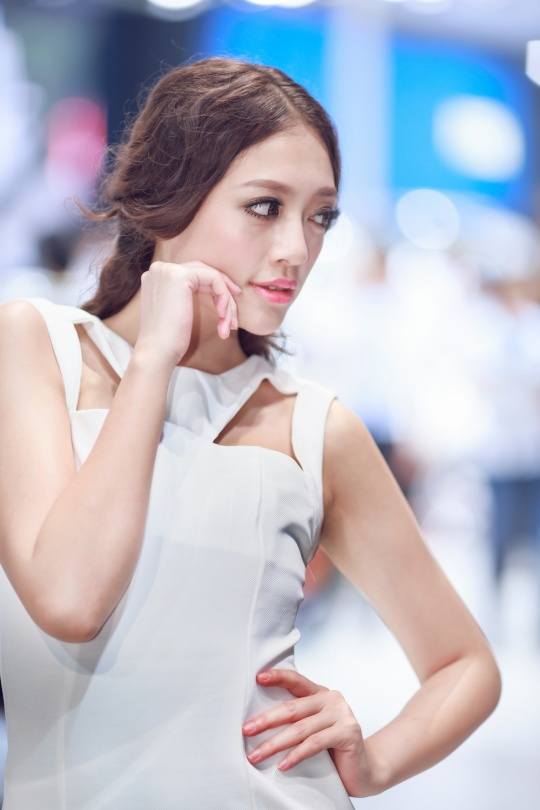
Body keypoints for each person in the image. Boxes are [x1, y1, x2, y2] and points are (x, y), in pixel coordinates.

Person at [0, 56, 501, 808]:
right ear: (169, 196)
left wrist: (372, 763)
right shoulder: (36, 347)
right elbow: (69, 598)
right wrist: (155, 360)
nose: (297, 248)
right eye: (265, 206)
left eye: (320, 216)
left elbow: (466, 665)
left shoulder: (315, 427)